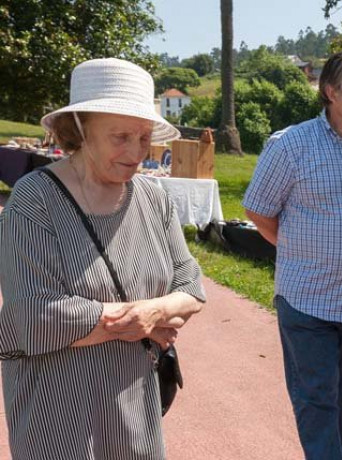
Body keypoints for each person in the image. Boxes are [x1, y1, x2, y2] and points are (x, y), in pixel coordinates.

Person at [0, 58, 206, 459]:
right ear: (80, 129)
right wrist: (143, 320)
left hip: (135, 411)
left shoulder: (154, 198)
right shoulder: (34, 200)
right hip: (58, 411)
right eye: (121, 137)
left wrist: (154, 311)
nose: (137, 153)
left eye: (145, 137)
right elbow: (33, 315)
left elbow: (191, 287)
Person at [243, 47, 342, 460]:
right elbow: (258, 209)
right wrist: (295, 248)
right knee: (317, 402)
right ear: (331, 92)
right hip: (307, 301)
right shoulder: (291, 146)